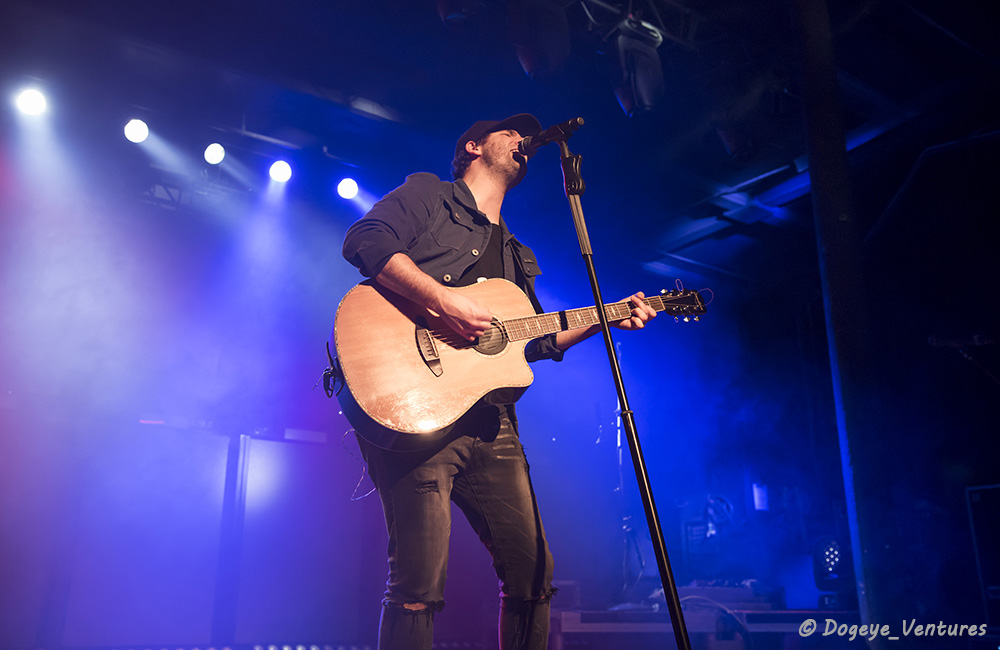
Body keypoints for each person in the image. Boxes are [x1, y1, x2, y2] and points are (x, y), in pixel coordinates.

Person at [341, 113, 656, 650]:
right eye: (509, 130)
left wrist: (605, 316)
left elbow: (532, 342)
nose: (521, 138)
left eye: (522, 134)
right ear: (473, 145)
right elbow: (364, 239)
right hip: (415, 404)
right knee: (419, 583)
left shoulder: (517, 254)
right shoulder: (429, 196)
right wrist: (440, 301)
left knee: (534, 575)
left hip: (491, 422)